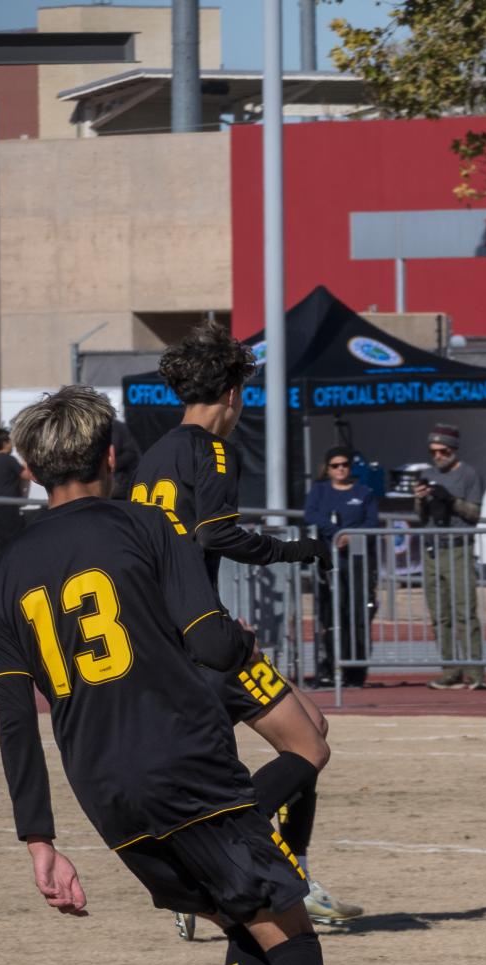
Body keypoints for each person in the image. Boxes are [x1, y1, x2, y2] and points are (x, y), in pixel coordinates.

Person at [0, 387, 390, 965]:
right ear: (111, 456)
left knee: (248, 922)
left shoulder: (2, 576)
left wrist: (39, 838)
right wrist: (240, 651)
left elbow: (13, 717)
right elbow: (206, 639)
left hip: (103, 792)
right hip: (181, 758)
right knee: (294, 935)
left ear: (32, 471)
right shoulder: (145, 524)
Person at [133, 322, 358, 929]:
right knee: (309, 745)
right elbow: (217, 534)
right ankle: (207, 865)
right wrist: (295, 550)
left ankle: (292, 872)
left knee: (311, 726)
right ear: (232, 393)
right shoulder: (214, 451)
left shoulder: (153, 455)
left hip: (171, 634)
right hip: (202, 638)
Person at [413, 423, 486, 690]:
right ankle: (450, 669)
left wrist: (451, 500)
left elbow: (475, 513)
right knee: (439, 614)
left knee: (465, 611)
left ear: (453, 449)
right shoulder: (427, 473)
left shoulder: (469, 474)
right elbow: (419, 518)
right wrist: (420, 499)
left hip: (458, 548)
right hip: (433, 548)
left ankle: (476, 672)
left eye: (443, 451)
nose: (438, 456)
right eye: (433, 451)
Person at [303, 446, 381, 687]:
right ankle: (329, 668)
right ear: (327, 468)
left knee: (358, 615)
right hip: (329, 560)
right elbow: (311, 514)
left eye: (344, 465)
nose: (340, 469)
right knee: (331, 615)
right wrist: (336, 533)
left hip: (358, 562)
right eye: (335, 465)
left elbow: (372, 522)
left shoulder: (364, 492)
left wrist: (351, 535)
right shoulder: (319, 491)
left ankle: (356, 670)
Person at [0, 427, 33, 557]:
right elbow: (26, 475)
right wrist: (26, 460)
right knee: (14, 540)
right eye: (10, 441)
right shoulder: (9, 460)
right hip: (8, 506)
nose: (12, 444)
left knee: (0, 541)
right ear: (5, 443)